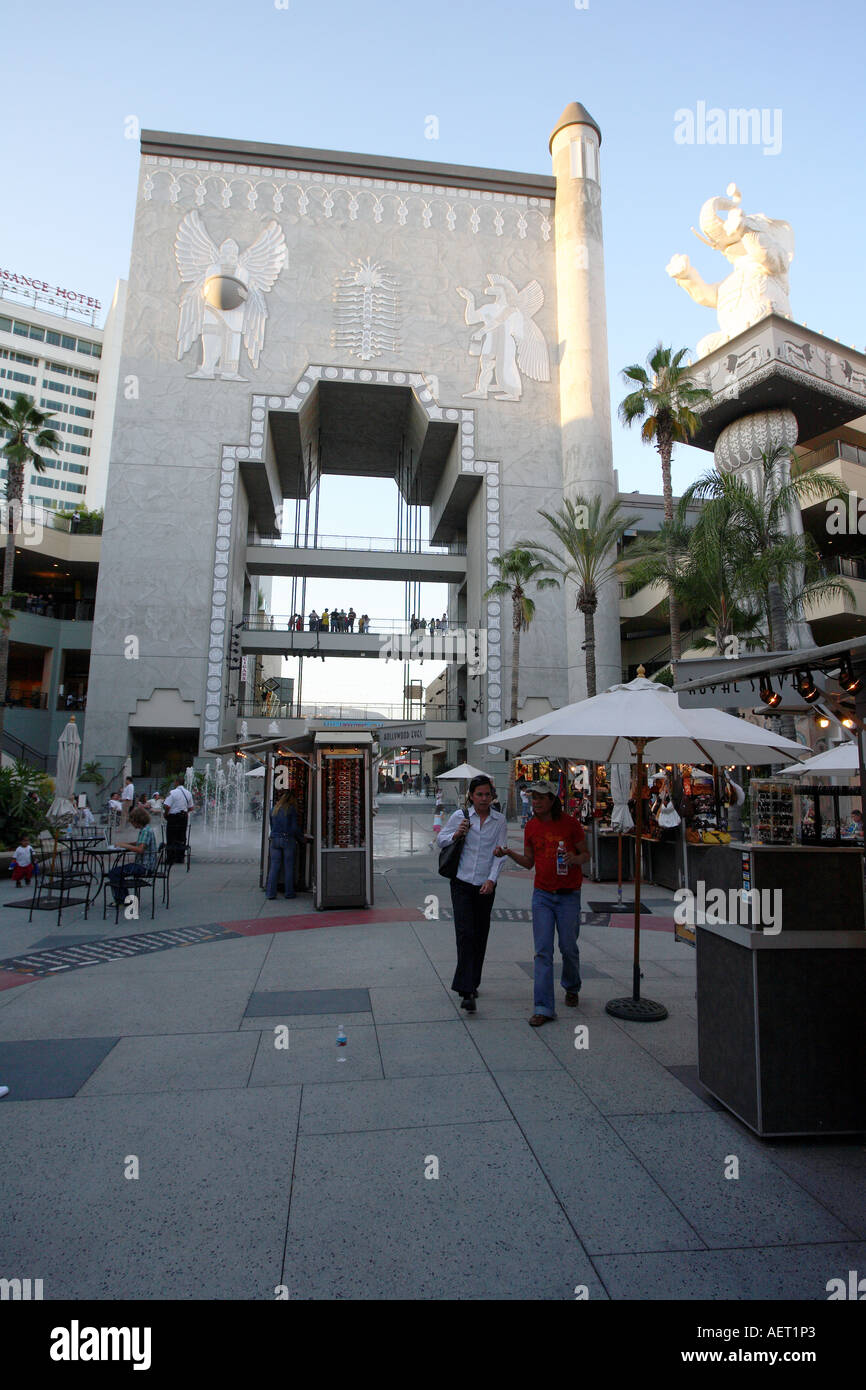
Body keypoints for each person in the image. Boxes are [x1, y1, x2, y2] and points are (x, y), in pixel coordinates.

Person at [495, 780, 590, 1027]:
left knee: (568, 946)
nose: (535, 802)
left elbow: (585, 855)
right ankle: (543, 1007)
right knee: (542, 950)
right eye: (532, 797)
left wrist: (574, 858)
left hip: (569, 893)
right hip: (543, 896)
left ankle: (572, 985)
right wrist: (509, 853)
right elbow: (529, 862)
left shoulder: (571, 824)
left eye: (540, 797)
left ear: (552, 800)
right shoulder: (532, 827)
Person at [438, 774, 508, 1013]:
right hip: (462, 882)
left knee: (480, 934)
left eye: (487, 794)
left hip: (485, 885)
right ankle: (466, 990)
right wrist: (456, 834)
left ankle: (473, 980)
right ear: (471, 796)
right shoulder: (460, 816)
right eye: (479, 794)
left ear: (492, 796)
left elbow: (500, 854)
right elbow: (440, 840)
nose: (484, 798)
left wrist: (491, 879)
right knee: (465, 933)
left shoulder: (499, 820)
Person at [108, 806, 157, 906]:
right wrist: (127, 844)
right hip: (146, 865)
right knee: (117, 871)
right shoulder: (146, 829)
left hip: (143, 866)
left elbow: (140, 849)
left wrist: (124, 845)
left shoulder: (145, 831)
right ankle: (124, 898)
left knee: (114, 873)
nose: (131, 824)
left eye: (132, 821)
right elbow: (140, 843)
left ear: (137, 820)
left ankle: (122, 900)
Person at [266, 790, 303, 899]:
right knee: (289, 867)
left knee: (274, 867)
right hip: (287, 840)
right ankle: (289, 892)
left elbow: (272, 826)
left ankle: (270, 893)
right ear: (291, 799)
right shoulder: (291, 810)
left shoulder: (274, 809)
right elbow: (294, 828)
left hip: (275, 840)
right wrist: (301, 837)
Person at [163, 777, 194, 864]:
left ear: (176, 782)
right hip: (184, 817)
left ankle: (170, 858)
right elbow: (191, 808)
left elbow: (167, 806)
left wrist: (165, 814)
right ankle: (180, 857)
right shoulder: (188, 793)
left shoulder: (172, 793)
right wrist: (184, 812)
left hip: (173, 817)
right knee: (182, 837)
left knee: (171, 836)